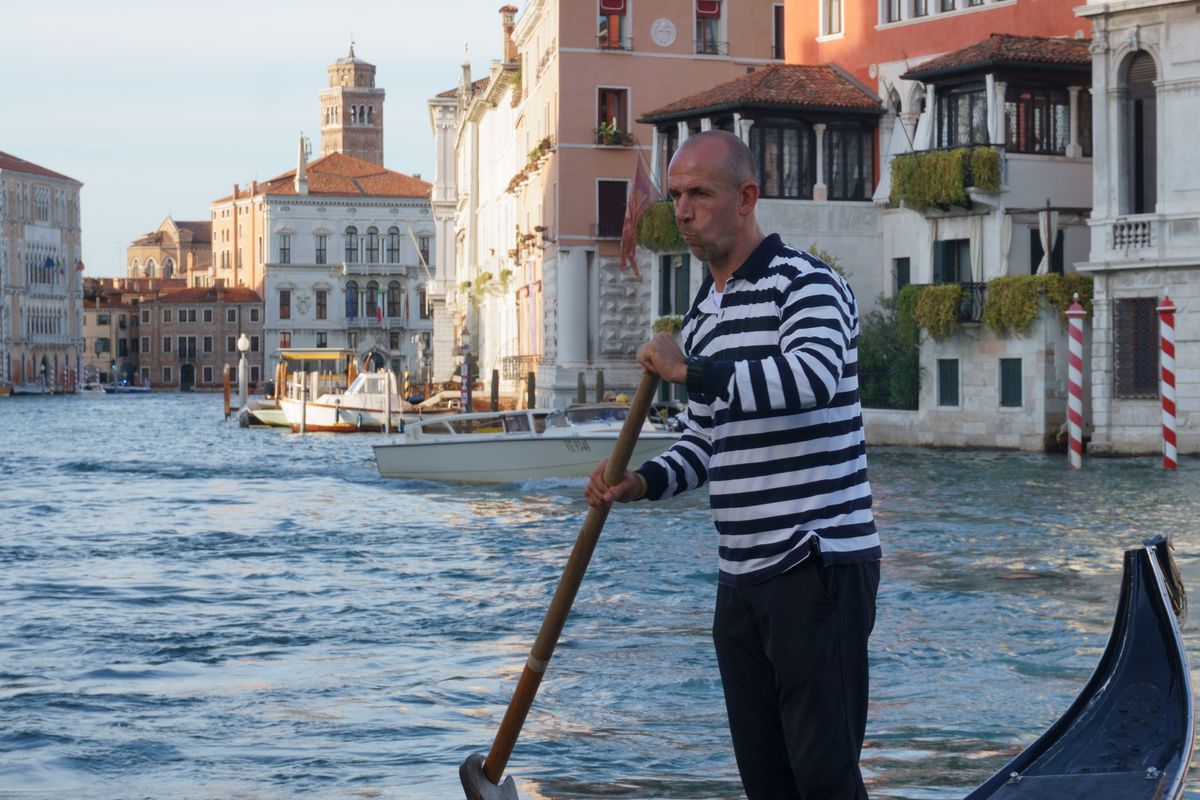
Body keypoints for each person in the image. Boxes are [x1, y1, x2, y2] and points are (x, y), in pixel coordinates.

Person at [584, 130, 881, 799]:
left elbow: (808, 379)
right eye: (677, 196)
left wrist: (690, 370)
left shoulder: (807, 285)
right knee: (767, 783)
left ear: (746, 198)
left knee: (824, 778)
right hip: (741, 578)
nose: (682, 211)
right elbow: (703, 443)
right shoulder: (705, 316)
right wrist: (641, 482)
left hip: (817, 562)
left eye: (699, 194)